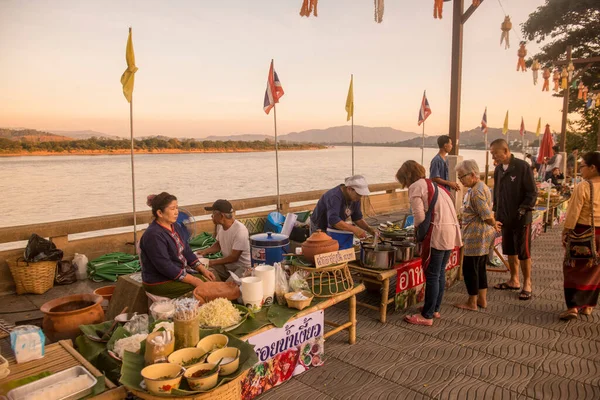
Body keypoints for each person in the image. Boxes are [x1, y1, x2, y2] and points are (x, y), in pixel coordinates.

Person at [396, 160, 462, 326]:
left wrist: (416, 234)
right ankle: (434, 309)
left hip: (437, 233)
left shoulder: (416, 187)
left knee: (432, 274)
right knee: (439, 272)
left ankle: (427, 316)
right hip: (450, 231)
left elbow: (419, 216)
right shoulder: (435, 186)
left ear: (406, 176)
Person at [140, 192, 215, 299]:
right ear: (160, 213)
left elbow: (187, 251)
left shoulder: (175, 226)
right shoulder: (153, 235)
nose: (176, 212)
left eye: (177, 208)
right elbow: (165, 266)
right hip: (159, 281)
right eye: (172, 209)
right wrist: (194, 280)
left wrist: (203, 269)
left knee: (210, 278)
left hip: (177, 273)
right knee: (204, 289)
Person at [490, 139, 537, 300]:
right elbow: (497, 192)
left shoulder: (522, 167)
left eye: (495, 153)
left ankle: (527, 283)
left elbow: (532, 192)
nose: (493, 157)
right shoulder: (498, 170)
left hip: (521, 218)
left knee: (523, 252)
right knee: (509, 249)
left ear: (505, 150)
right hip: (504, 216)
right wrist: (495, 212)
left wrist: (523, 208)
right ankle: (514, 280)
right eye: (491, 154)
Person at [560, 151, 600, 320]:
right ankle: (588, 306)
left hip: (582, 231)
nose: (580, 169)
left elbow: (573, 212)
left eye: (582, 166)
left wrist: (566, 231)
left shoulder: (584, 186)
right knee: (594, 270)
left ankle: (573, 307)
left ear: (592, 168)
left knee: (573, 268)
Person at [454, 160, 499, 310]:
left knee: (470, 269)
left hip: (476, 236)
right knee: (480, 268)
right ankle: (482, 300)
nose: (460, 180)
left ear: (473, 174)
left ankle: (472, 302)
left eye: (461, 177)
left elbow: (486, 214)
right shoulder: (481, 187)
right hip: (481, 235)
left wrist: (494, 223)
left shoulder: (475, 192)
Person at [196, 199, 251, 281]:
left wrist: (211, 262)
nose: (211, 216)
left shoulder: (240, 230)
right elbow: (218, 245)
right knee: (203, 269)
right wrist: (205, 251)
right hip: (227, 266)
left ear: (221, 216)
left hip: (243, 268)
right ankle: (219, 282)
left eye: (213, 214)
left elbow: (233, 258)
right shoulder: (220, 226)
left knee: (228, 287)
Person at [309, 175, 376, 239]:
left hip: (335, 226)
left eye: (361, 195)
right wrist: (354, 229)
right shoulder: (334, 196)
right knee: (322, 248)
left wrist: (369, 229)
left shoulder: (355, 198)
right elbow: (333, 220)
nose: (360, 197)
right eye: (358, 194)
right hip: (320, 226)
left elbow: (357, 218)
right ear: (349, 189)